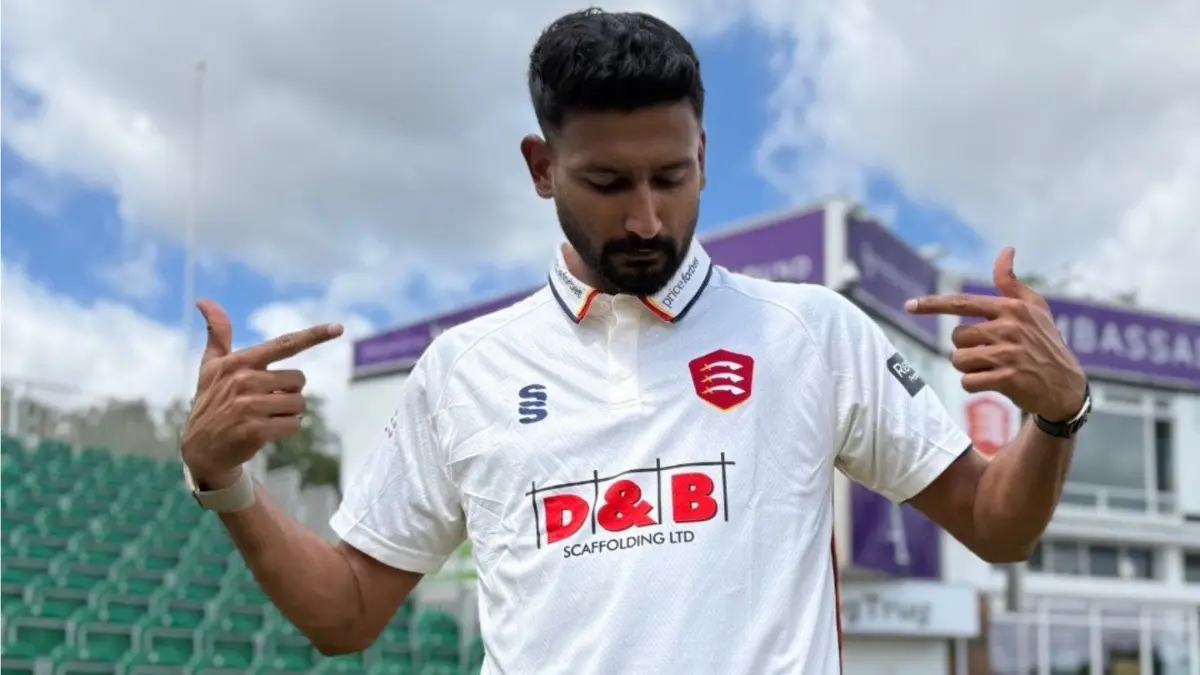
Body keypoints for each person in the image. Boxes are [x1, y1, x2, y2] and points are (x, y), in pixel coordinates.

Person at [179, 8, 1091, 675]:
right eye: (608, 181)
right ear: (542, 169)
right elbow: (346, 614)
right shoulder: (464, 371)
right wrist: (226, 483)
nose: (649, 216)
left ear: (705, 151)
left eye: (673, 175)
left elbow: (994, 524)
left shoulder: (808, 330)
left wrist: (1057, 416)